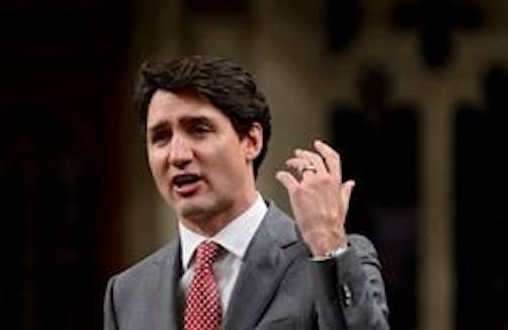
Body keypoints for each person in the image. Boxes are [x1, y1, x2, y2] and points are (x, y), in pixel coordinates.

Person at [104, 55, 389, 329]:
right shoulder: (127, 293)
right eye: (161, 137)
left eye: (199, 129)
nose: (177, 155)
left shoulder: (331, 261)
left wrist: (328, 246)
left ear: (251, 141)